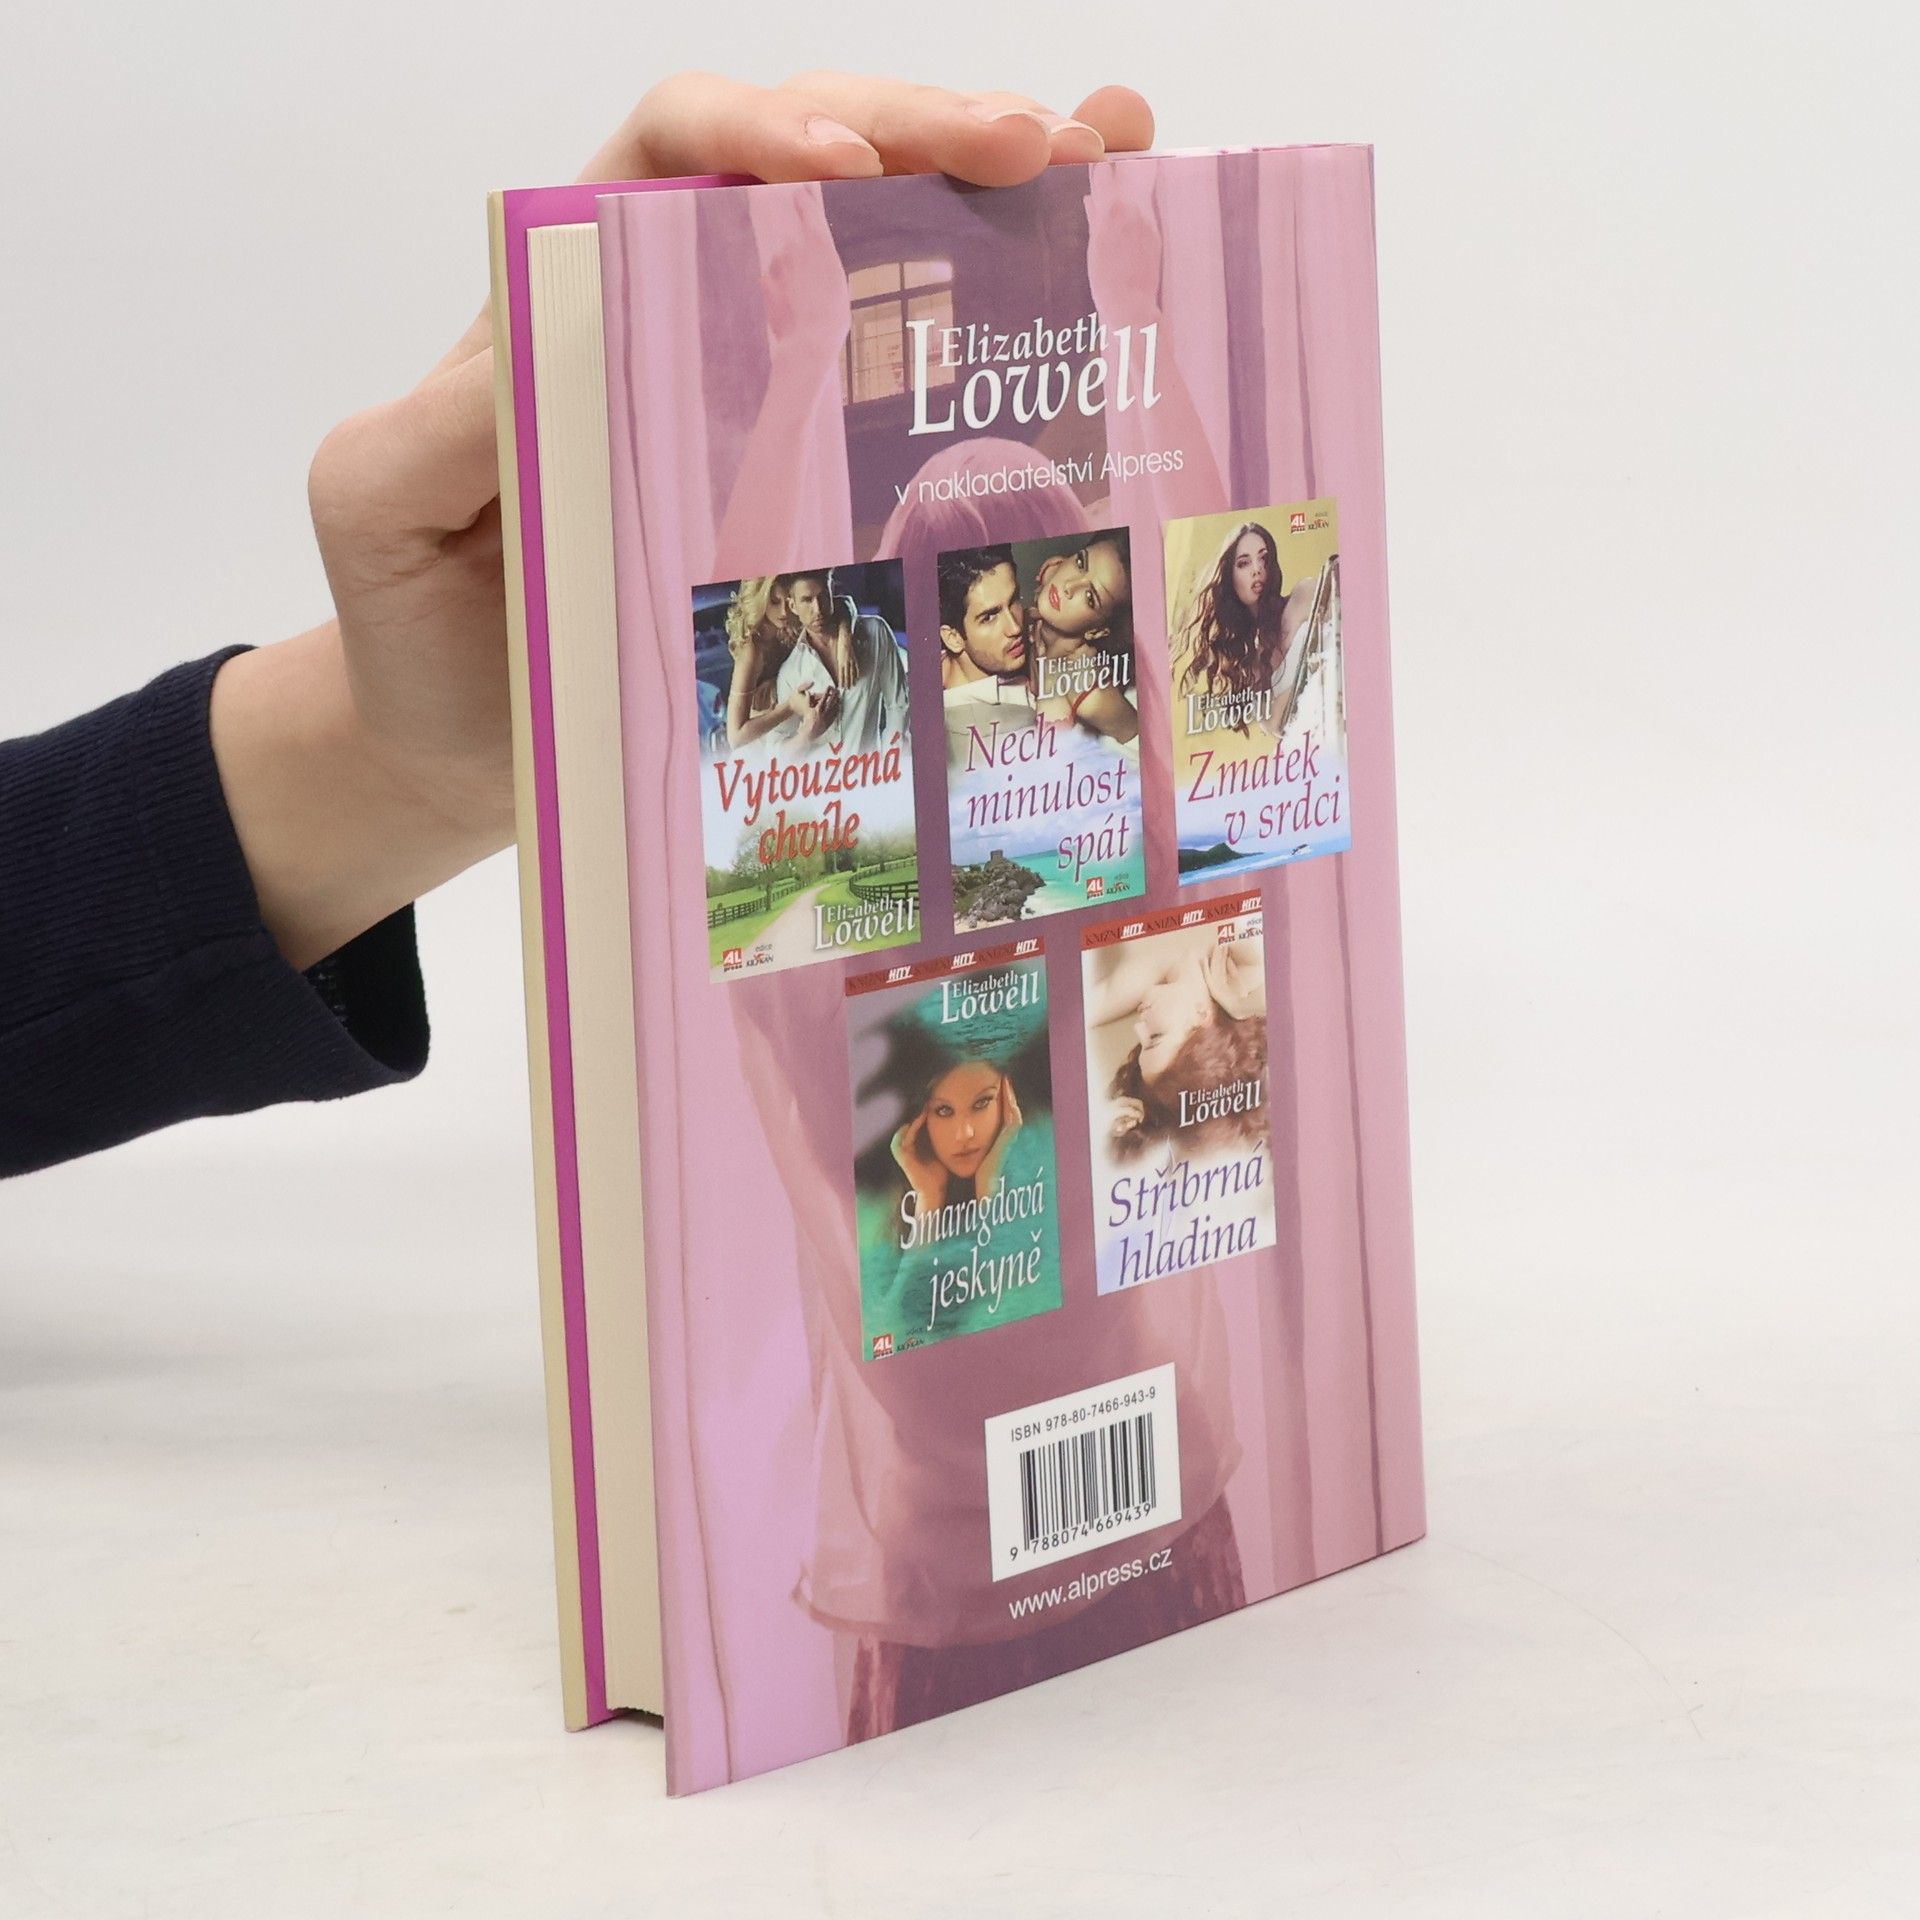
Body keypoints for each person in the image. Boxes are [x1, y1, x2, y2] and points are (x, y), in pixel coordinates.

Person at [0, 71, 1150, 1178]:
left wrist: (390, 764)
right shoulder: (870, 747)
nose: (1023, 622)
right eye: (994, 604)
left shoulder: (1082, 754)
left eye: (1043, 598)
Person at [1087, 927, 1269, 1164]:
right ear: (1201, 1018)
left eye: (1142, 1045)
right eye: (1156, 1036)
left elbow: (1073, 1013)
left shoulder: (1148, 981)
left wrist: (1095, 1121)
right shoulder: (1247, 972)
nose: (1138, 1027)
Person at [1172, 519, 1324, 735]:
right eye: (1244, 563)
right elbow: (1273, 725)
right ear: (1229, 576)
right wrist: (1313, 670)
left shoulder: (1303, 595)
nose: (1257, 569)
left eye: (1264, 559)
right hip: (1315, 740)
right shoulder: (1248, 665)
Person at [771, 568, 910, 754]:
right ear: (793, 606)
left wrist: (892, 760)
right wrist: (807, 735)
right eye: (807, 600)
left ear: (832, 592)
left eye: (823, 596)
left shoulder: (876, 633)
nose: (818, 609)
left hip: (870, 768)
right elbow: (778, 752)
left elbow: (898, 705)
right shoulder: (790, 672)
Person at [1023, 534, 1140, 751]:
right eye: (1080, 563)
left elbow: (1142, 746)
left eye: (1089, 597)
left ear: (1096, 631)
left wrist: (1050, 684)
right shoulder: (1047, 598)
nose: (1069, 586)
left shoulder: (1090, 693)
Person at [936, 543, 1039, 766]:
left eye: (1014, 600)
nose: (1014, 628)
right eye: (989, 617)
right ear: (953, 638)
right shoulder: (984, 738)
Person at [720, 573, 803, 751]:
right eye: (774, 601)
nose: (784, 611)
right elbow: (735, 736)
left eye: (788, 600)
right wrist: (790, 706)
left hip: (785, 739)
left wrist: (775, 682)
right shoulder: (751, 650)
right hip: (756, 750)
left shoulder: (786, 629)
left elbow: (841, 603)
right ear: (761, 600)